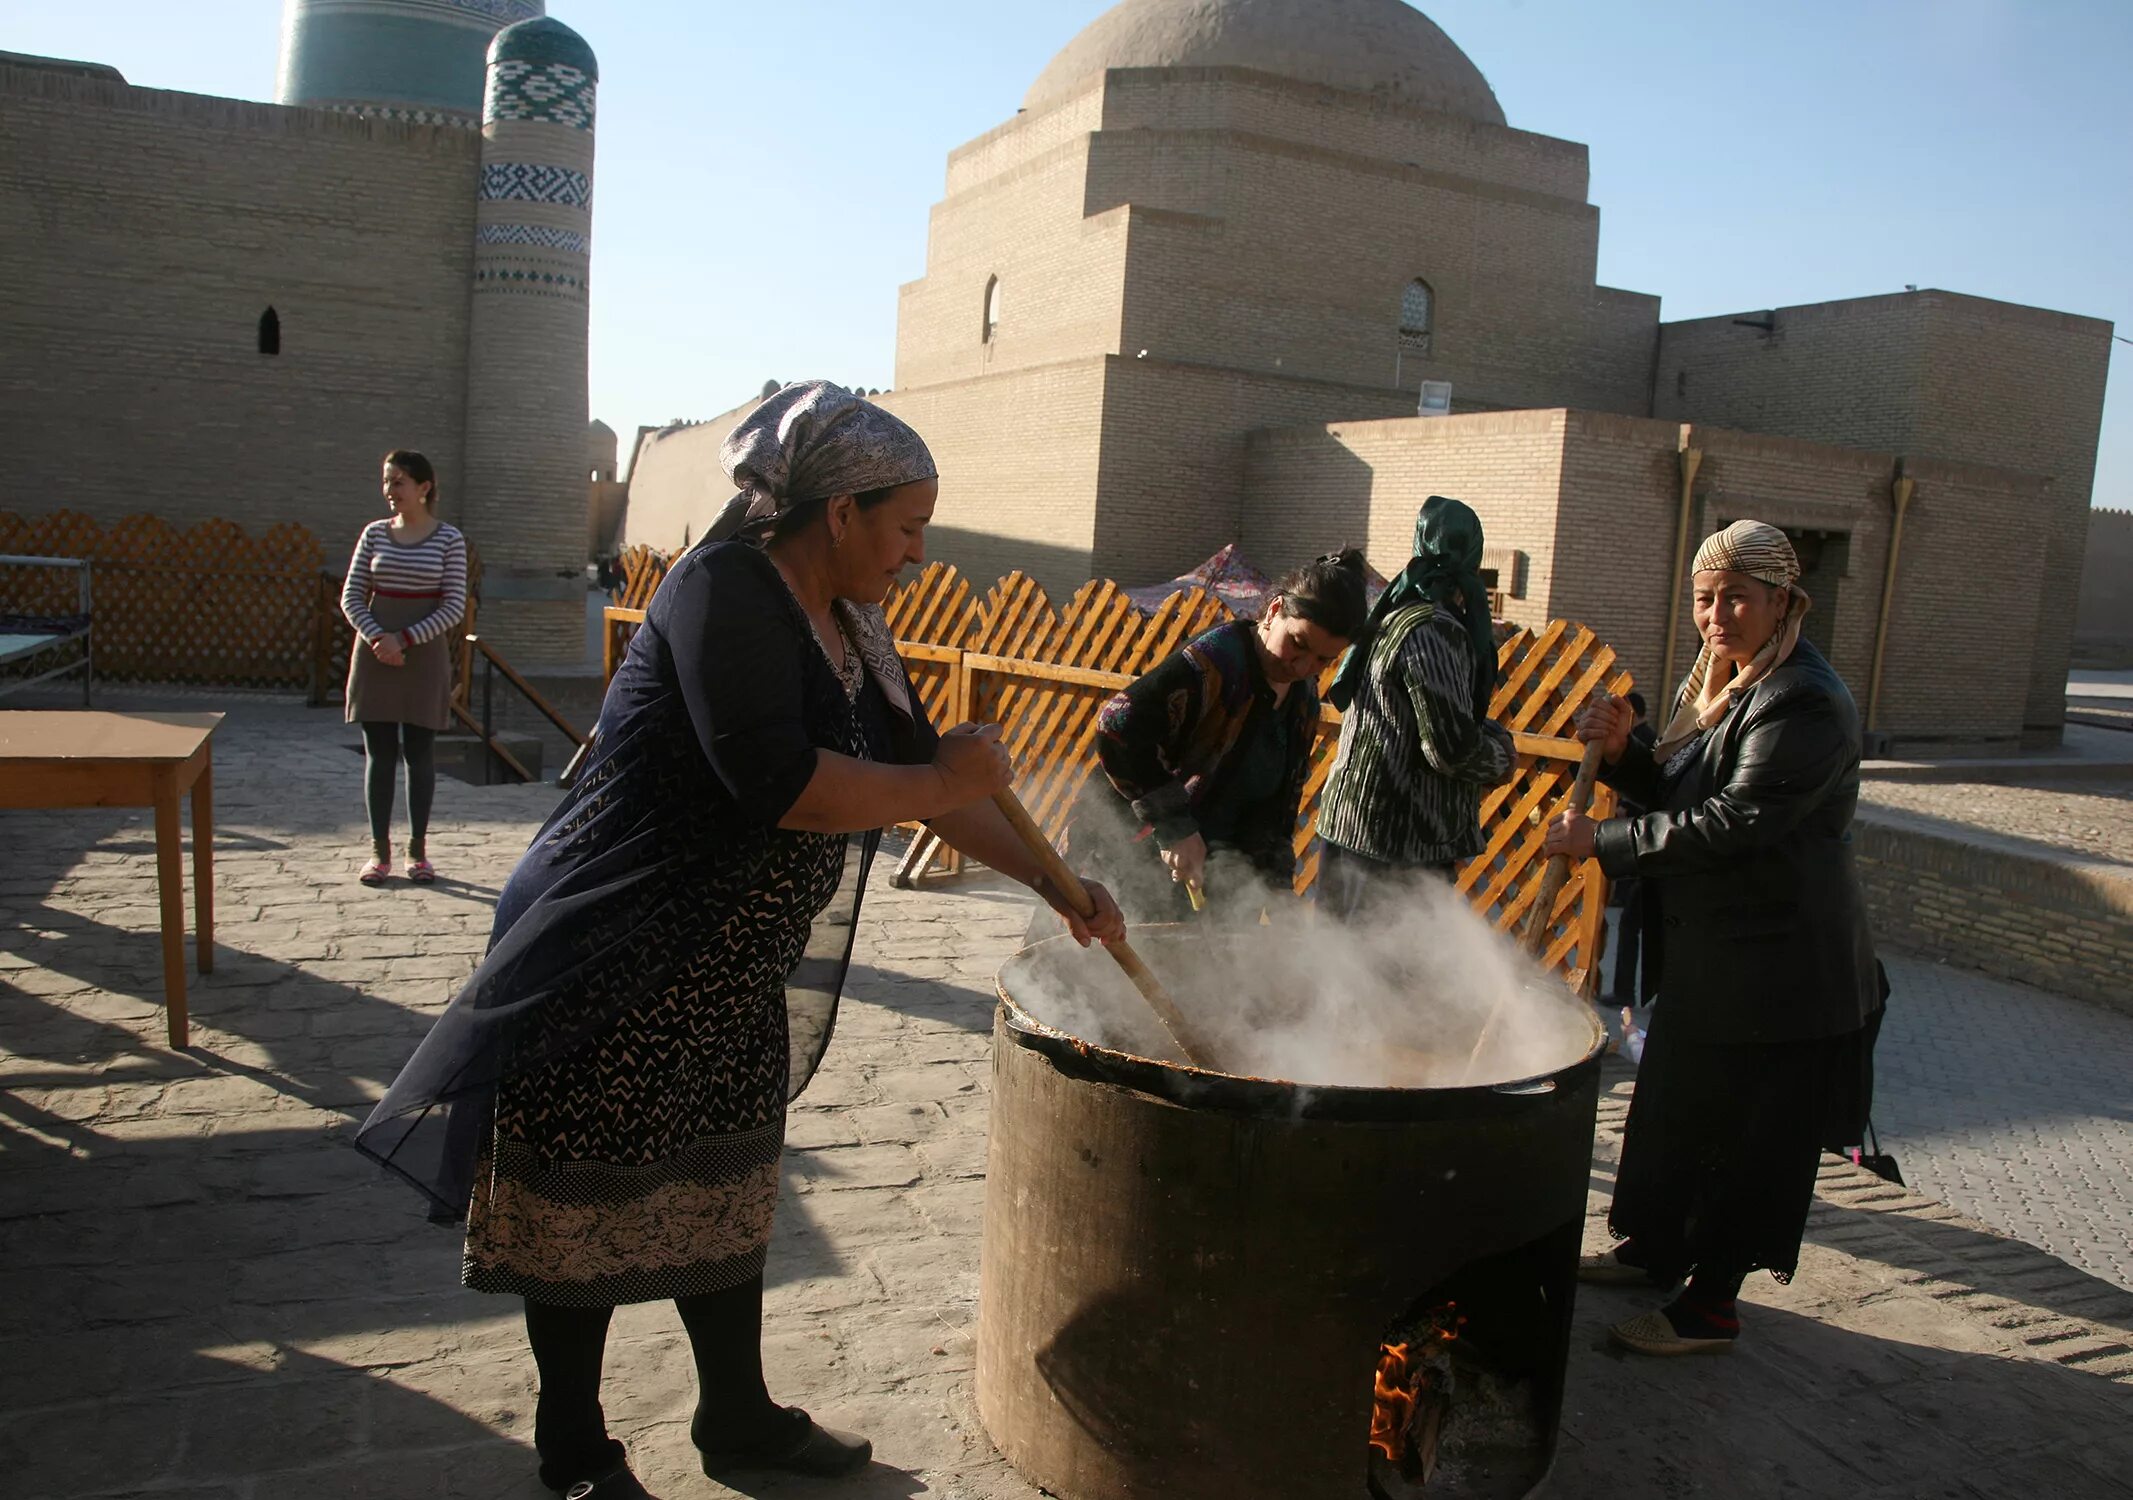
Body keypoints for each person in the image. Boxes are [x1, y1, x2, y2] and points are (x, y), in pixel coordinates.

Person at [355, 384, 1125, 1499]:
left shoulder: (853, 622)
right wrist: (942, 775)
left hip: (723, 970)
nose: (916, 553)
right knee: (584, 1202)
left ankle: (738, 1417)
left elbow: (927, 789)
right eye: (906, 526)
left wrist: (1058, 882)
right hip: (616, 944)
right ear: (840, 512)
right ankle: (573, 1451)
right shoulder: (721, 592)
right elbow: (783, 784)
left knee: (722, 1184)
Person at [1544, 519, 1881, 1358]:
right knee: (1679, 1116)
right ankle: (1656, 1251)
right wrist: (1624, 756)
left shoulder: (1801, 699)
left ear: (1780, 602)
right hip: (1717, 960)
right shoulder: (1724, 688)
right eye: (1704, 597)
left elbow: (1735, 822)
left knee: (1744, 1140)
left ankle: (1711, 1307)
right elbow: (1679, 786)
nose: (1716, 614)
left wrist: (1603, 845)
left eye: (1736, 597)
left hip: (1779, 971)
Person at [1057, 550, 1371, 928]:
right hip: (1127, 865)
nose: (1303, 667)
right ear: (1273, 612)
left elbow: (1277, 810)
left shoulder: (1302, 701)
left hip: (1214, 887)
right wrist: (1175, 826)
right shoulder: (1217, 660)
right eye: (1298, 644)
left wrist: (1277, 893)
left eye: (1323, 659)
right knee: (1102, 981)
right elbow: (1118, 723)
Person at [1314, 496, 1515, 917]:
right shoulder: (1433, 628)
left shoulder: (1392, 617)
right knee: (1380, 978)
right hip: (1395, 844)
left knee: (1338, 971)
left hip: (1357, 830)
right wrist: (1501, 755)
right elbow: (1450, 748)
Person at [341, 450, 468, 885]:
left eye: (398, 482)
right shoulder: (374, 535)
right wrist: (379, 637)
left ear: (424, 487)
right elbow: (351, 596)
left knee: (418, 752)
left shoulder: (449, 539)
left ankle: (418, 852)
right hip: (375, 653)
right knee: (379, 753)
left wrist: (406, 639)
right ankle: (379, 853)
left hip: (423, 655)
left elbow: (453, 604)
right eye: (386, 481)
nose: (389, 490)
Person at [1604, 691, 1656, 1015]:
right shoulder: (1644, 739)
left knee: (1636, 924)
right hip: (1645, 849)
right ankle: (1639, 993)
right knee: (1634, 922)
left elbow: (1654, 791)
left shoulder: (1647, 741)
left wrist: (1624, 811)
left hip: (1648, 847)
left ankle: (1630, 991)